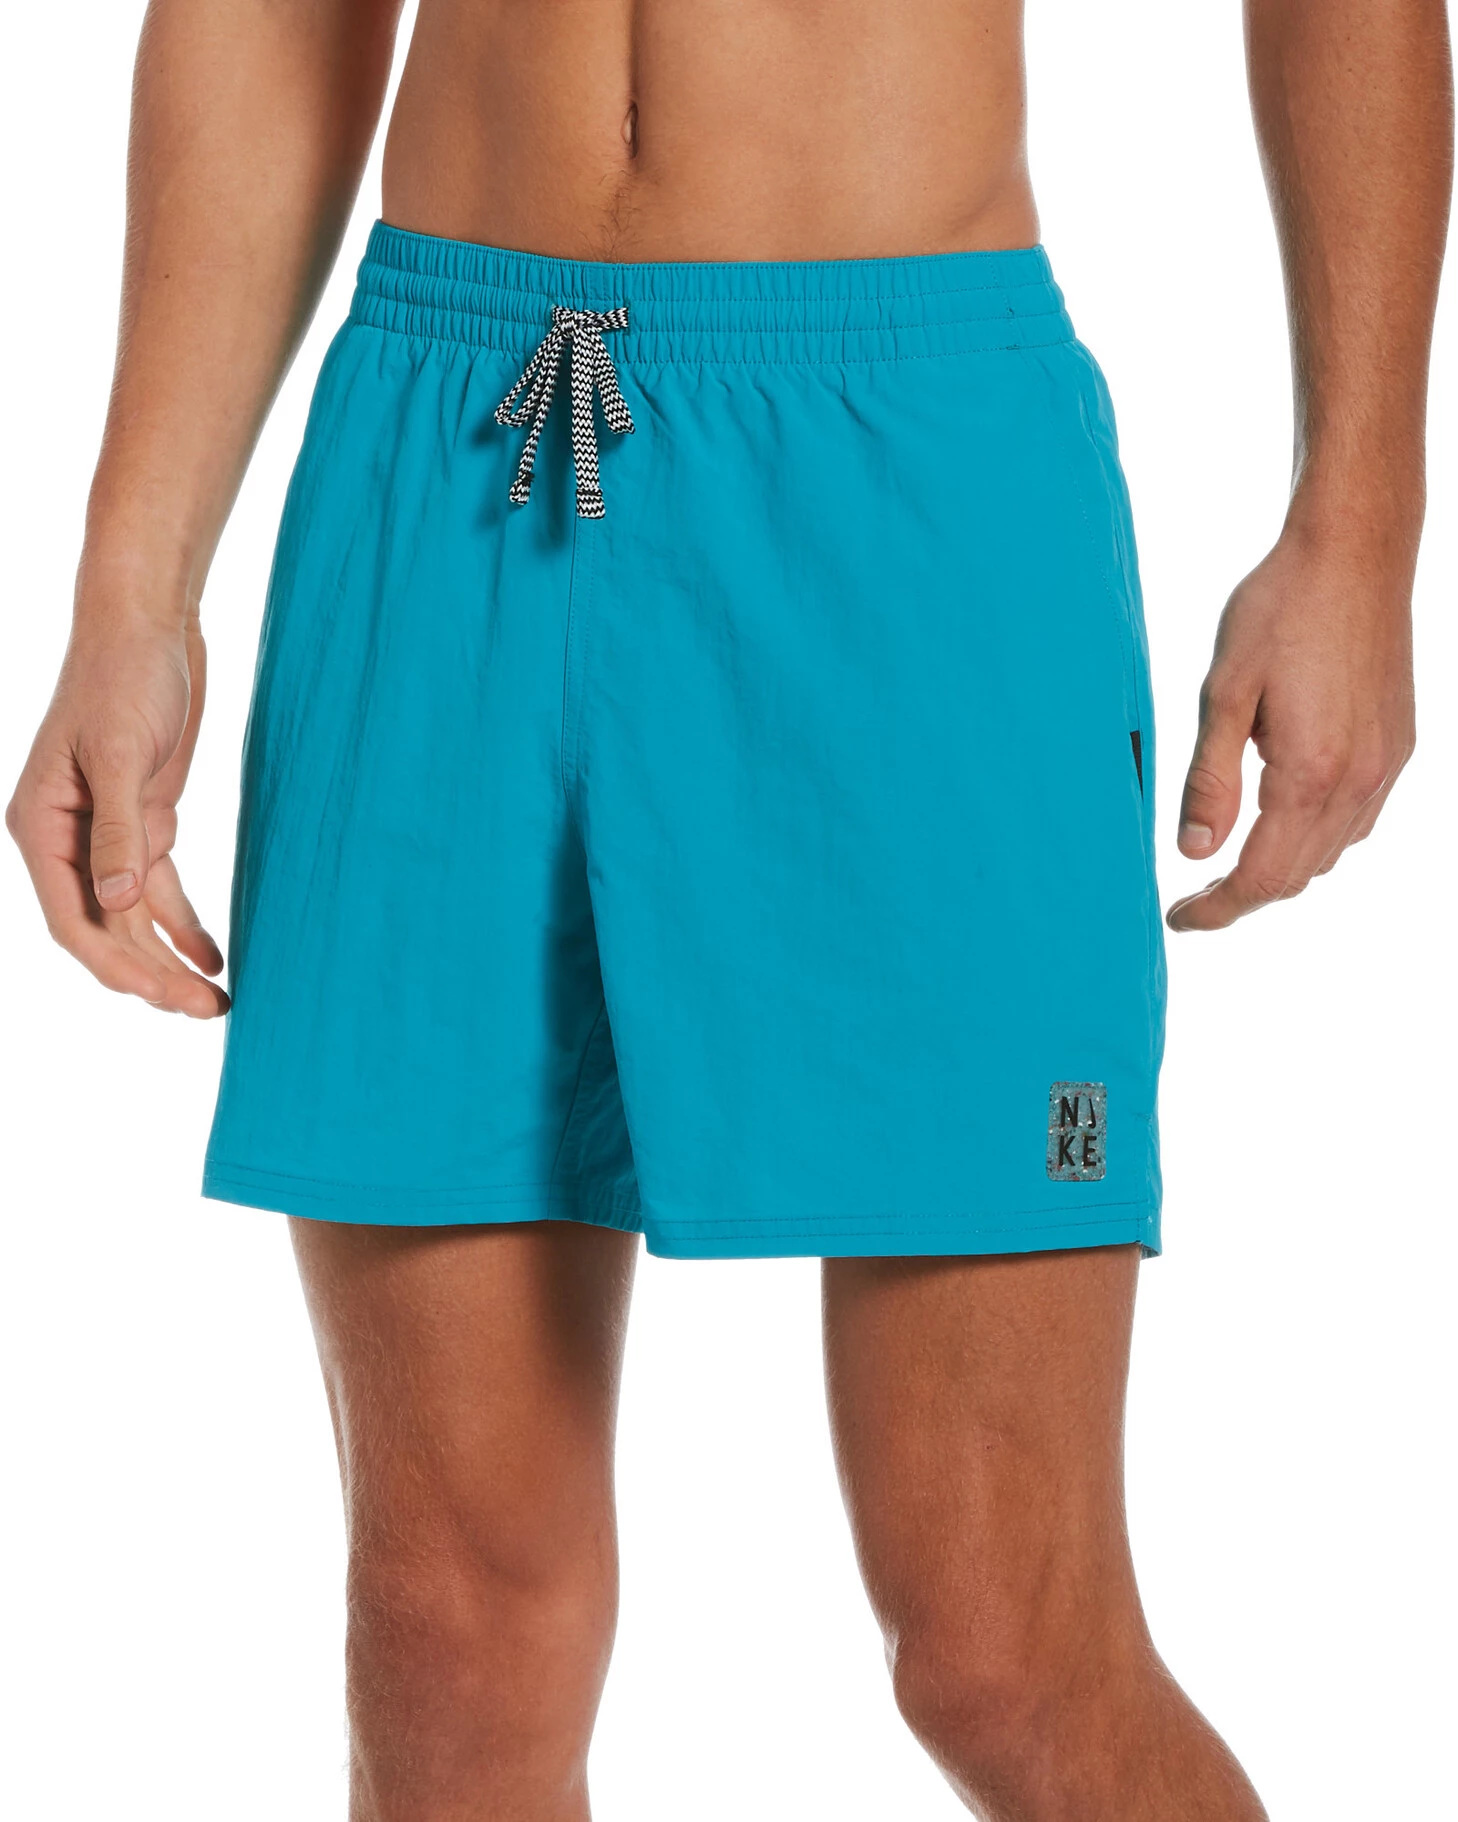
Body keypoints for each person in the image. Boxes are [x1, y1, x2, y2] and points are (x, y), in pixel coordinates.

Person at [7, 0, 1449, 1816]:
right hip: (452, 442)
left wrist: (1357, 523)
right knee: (449, 1638)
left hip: (903, 465)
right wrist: (132, 588)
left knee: (998, 1639)